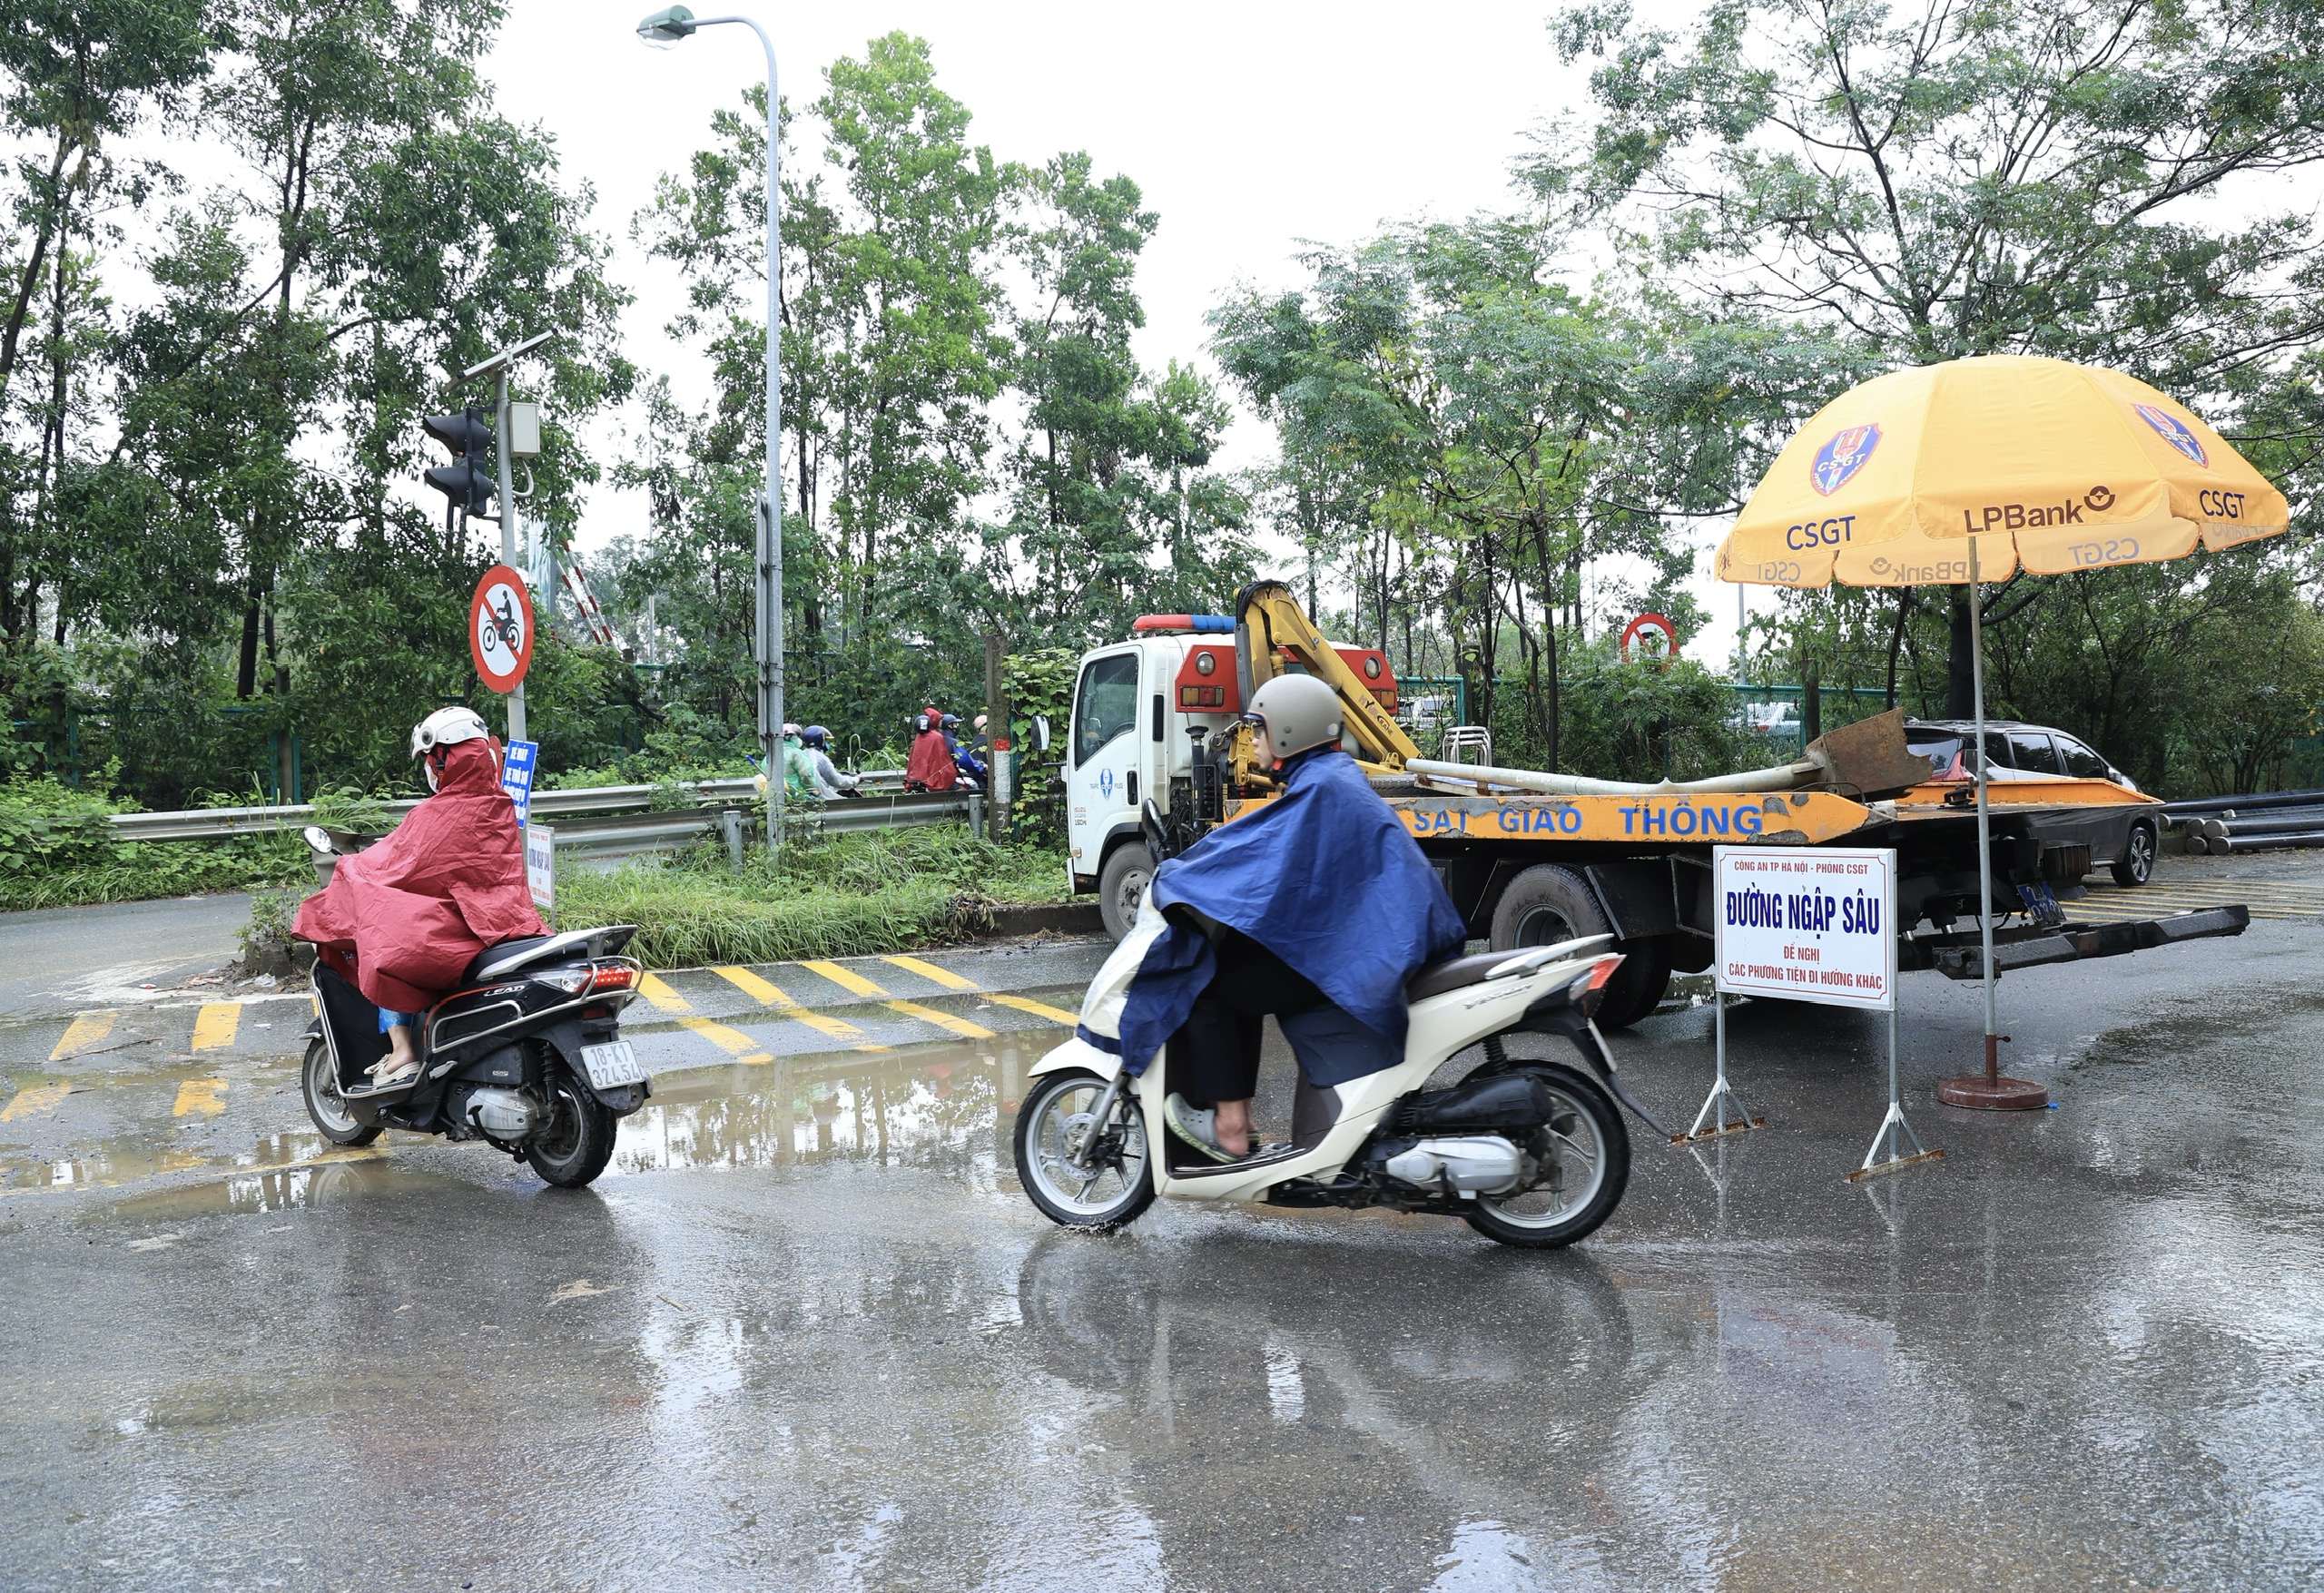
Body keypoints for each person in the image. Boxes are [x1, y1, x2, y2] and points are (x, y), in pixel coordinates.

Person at [1109, 674, 1465, 1160]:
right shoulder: (1329, 777)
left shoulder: (1320, 787)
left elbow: (1257, 855)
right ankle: (1242, 1120)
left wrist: (1182, 876)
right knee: (1240, 975)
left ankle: (1232, 1125)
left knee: (1210, 985)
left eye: (1258, 730)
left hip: (1368, 953)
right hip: (1380, 940)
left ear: (1288, 733)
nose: (1252, 740)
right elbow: (1268, 850)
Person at [292, 707, 547, 1093]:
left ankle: (401, 1052)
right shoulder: (499, 806)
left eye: (430, 760)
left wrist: (351, 870)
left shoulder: (437, 813)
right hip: (505, 924)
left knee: (387, 944)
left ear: (440, 759)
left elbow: (397, 867)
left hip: (457, 929)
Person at [904, 705, 958, 792]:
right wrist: (951, 773)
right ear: (934, 720)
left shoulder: (919, 736)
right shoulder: (936, 736)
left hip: (916, 777)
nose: (941, 721)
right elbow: (942, 759)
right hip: (931, 779)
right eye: (939, 719)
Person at [797, 725, 859, 798]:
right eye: (826, 740)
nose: (827, 743)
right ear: (820, 740)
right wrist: (856, 779)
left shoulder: (801, 754)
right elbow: (837, 781)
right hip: (822, 798)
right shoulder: (821, 758)